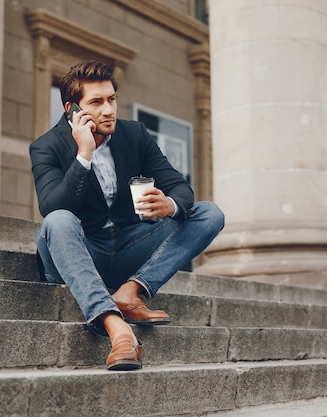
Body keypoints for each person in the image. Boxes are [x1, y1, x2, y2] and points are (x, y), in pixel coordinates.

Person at [29, 61, 225, 371]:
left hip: (128, 247)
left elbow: (178, 186)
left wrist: (169, 204)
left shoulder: (134, 134)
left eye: (112, 99)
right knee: (58, 220)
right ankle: (116, 328)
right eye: (96, 102)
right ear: (72, 110)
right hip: (78, 252)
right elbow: (52, 207)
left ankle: (131, 292)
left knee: (209, 213)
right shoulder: (46, 147)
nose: (108, 110)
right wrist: (84, 154)